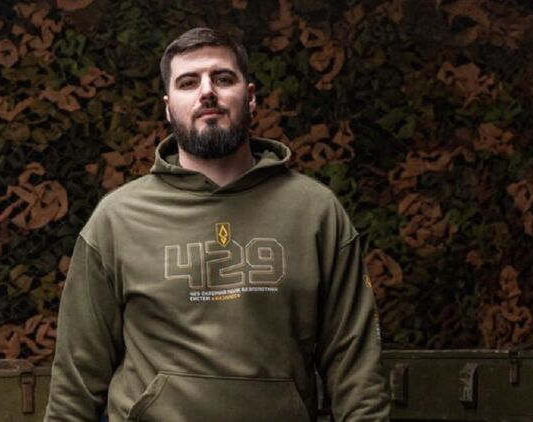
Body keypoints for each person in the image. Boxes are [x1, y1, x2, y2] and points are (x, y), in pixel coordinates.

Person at [44, 27, 390, 421]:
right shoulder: (117, 219)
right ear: (168, 107)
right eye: (188, 82)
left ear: (251, 96)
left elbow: (356, 368)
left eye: (223, 78)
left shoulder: (315, 211)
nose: (206, 92)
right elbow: (76, 379)